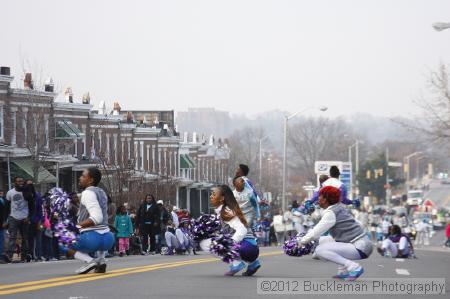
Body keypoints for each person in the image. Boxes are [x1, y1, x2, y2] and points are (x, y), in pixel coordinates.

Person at [297, 186, 373, 281]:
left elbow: (315, 232)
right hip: (361, 243)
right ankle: (343, 271)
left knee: (319, 250)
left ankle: (354, 267)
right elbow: (319, 219)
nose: (317, 199)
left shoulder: (331, 213)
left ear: (325, 199)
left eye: (319, 196)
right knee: (323, 240)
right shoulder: (338, 208)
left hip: (360, 247)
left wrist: (301, 242)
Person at [63, 167, 115, 274]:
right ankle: (102, 260)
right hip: (108, 239)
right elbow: (81, 198)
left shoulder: (88, 193)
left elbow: (97, 217)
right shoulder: (101, 192)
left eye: (83, 176)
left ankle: (90, 261)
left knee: (62, 240)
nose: (80, 178)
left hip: (92, 238)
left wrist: (76, 227)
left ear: (90, 180)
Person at [200, 185, 261, 276]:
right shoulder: (228, 209)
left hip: (246, 248)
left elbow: (242, 229)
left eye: (213, 194)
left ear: (222, 198)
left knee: (204, 244)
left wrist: (229, 245)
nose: (211, 196)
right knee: (219, 239)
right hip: (251, 248)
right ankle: (253, 263)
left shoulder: (227, 211)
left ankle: (236, 263)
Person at [6, 177, 33, 262]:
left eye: (22, 181)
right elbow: (7, 206)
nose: (20, 182)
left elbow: (32, 206)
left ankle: (23, 256)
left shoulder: (27, 192)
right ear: (15, 183)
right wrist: (6, 219)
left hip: (24, 218)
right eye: (18, 181)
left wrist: (29, 217)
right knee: (12, 237)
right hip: (13, 217)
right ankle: (9, 256)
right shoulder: (10, 192)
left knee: (25, 238)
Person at [24, 180, 44, 262]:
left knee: (38, 239)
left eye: (31, 185)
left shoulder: (37, 196)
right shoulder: (23, 195)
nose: (30, 186)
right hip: (25, 220)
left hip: (36, 221)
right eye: (28, 185)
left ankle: (38, 255)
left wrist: (40, 221)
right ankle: (29, 255)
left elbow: (40, 209)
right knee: (28, 239)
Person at [0, 190, 9, 263]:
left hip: (3, 223)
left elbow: (6, 212)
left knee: (3, 240)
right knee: (2, 240)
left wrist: (5, 221)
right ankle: (1, 256)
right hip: (2, 223)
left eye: (2, 192)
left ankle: (2, 256)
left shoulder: (4, 200)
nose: (1, 193)